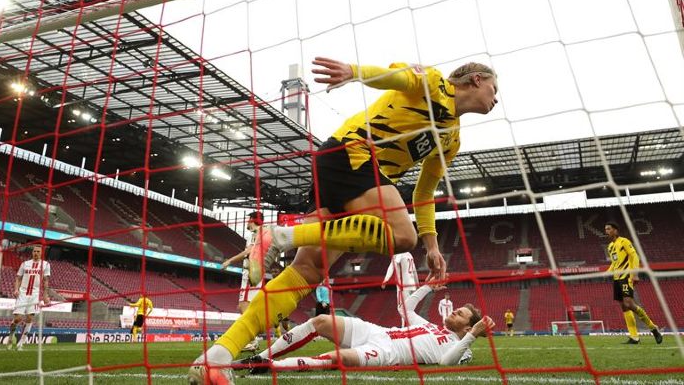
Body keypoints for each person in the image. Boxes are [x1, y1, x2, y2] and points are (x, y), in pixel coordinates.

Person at [189, 59, 499, 384]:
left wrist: (433, 245)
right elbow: (398, 76)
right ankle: (279, 236)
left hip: (350, 174)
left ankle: (215, 358)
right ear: (476, 80)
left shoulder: (452, 139)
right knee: (402, 236)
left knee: (307, 272)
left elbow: (425, 191)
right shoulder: (434, 84)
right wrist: (355, 73)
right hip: (353, 152)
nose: (496, 98)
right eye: (494, 89)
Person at [239, 282, 493, 373]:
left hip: (387, 353)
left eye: (460, 314)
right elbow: (405, 309)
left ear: (468, 326)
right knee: (320, 321)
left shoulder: (460, 347)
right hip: (376, 331)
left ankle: (270, 368)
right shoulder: (431, 326)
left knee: (336, 358)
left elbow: (445, 364)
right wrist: (428, 287)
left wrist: (471, 335)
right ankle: (260, 357)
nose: (455, 311)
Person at [604, 221, 662, 344]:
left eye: (609, 229)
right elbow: (614, 264)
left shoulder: (624, 241)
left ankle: (653, 327)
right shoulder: (610, 246)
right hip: (616, 278)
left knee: (629, 303)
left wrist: (635, 274)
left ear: (615, 230)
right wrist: (607, 272)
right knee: (624, 307)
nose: (606, 231)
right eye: (605, 229)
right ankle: (634, 337)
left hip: (626, 276)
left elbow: (634, 256)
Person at [221, 213, 268, 315]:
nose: (247, 221)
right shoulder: (265, 232)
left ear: (252, 220)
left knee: (244, 307)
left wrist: (230, 260)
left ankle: (249, 330)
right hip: (258, 272)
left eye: (248, 219)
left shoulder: (256, 232)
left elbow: (249, 251)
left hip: (251, 272)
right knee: (249, 307)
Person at [8, 245, 51, 350]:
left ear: (41, 253)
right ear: (32, 253)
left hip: (34, 295)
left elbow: (45, 281)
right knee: (18, 319)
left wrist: (45, 295)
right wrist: (16, 289)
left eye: (38, 251)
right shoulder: (25, 264)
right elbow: (18, 278)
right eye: (34, 251)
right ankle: (10, 337)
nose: (36, 253)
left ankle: (20, 343)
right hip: (23, 293)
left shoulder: (45, 265)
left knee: (30, 318)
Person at [381, 252, 418, 326]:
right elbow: (414, 271)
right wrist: (417, 283)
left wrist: (386, 280)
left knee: (402, 308)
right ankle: (411, 327)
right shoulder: (410, 254)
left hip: (403, 286)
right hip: (412, 285)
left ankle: (405, 329)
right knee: (409, 308)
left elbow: (392, 266)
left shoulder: (399, 254)